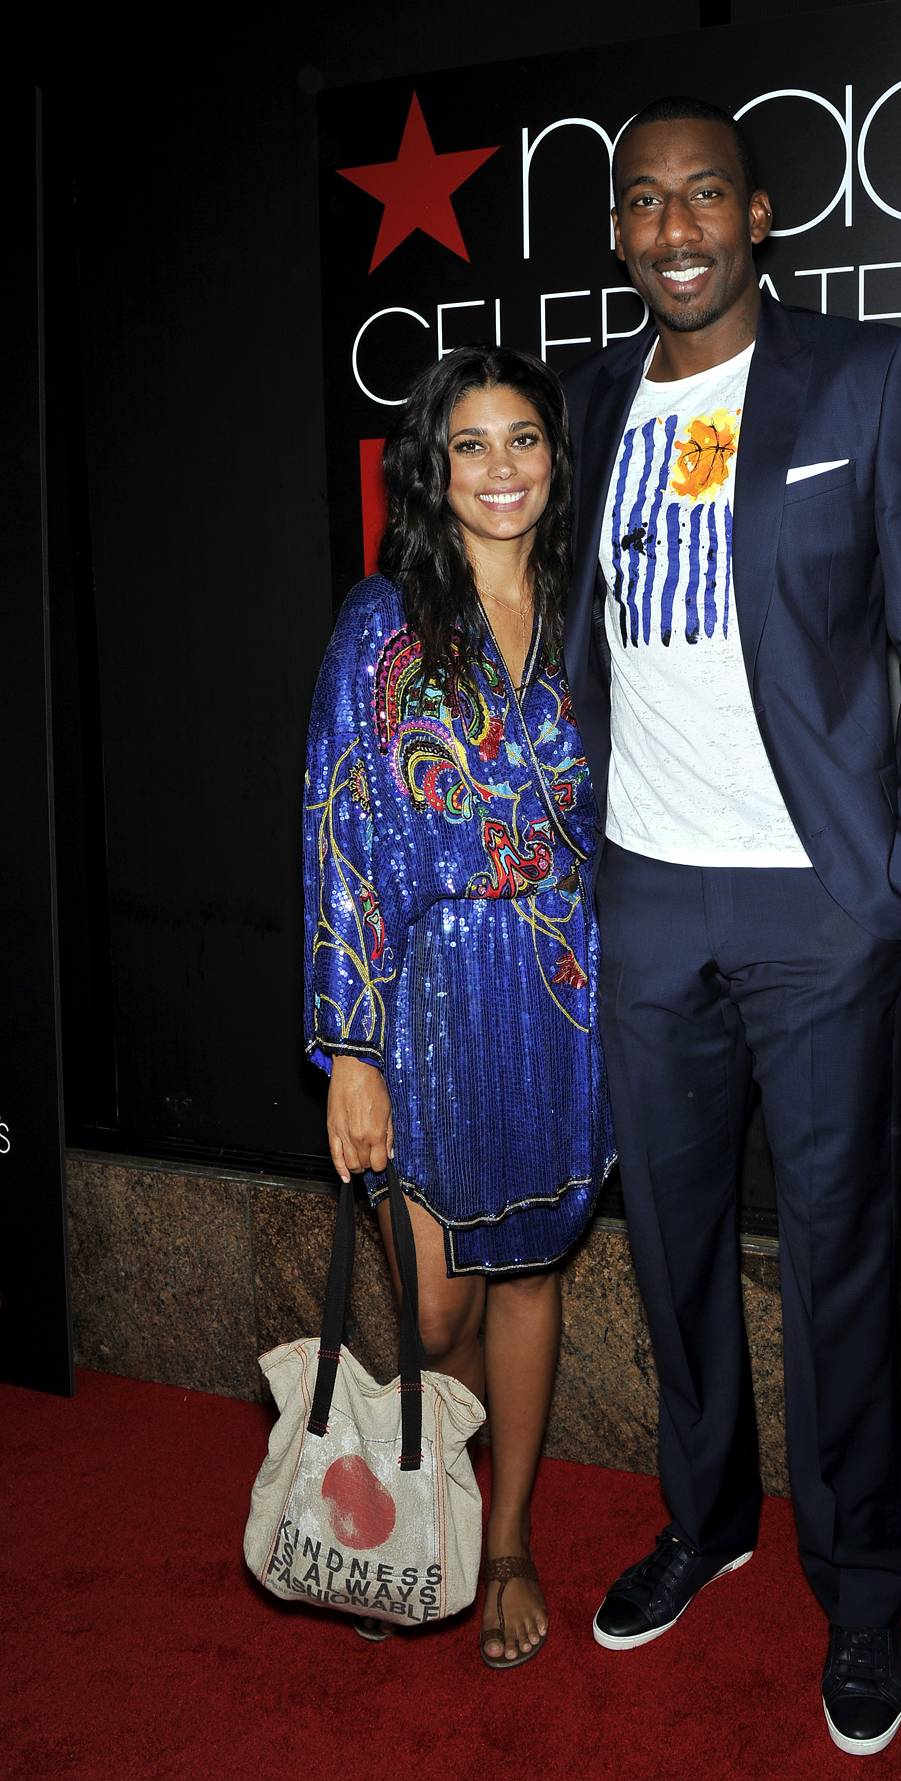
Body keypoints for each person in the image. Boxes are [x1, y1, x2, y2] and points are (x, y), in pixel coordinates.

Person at [561, 97, 901, 1754]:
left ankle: (864, 1586)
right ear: (619, 231)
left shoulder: (863, 381)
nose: (676, 231)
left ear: (759, 214)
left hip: (818, 908)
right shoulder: (591, 404)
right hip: (643, 897)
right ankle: (706, 1519)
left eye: (704, 199)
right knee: (669, 1258)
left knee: (835, 1266)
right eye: (644, 205)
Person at [302, 345, 613, 1668]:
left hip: (560, 991)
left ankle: (503, 1542)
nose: (502, 469)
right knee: (434, 1310)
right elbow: (338, 836)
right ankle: (439, 1483)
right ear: (431, 468)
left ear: (555, 456)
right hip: (420, 997)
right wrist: (351, 1051)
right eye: (470, 444)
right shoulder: (380, 624)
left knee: (529, 1272)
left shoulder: (592, 614)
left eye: (524, 440)